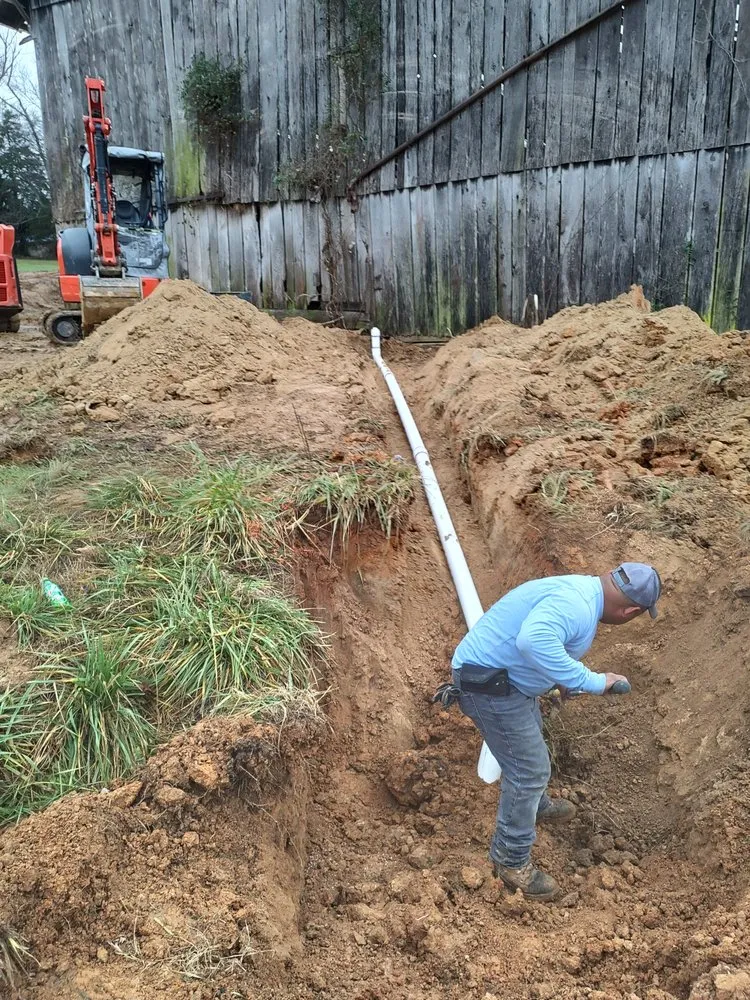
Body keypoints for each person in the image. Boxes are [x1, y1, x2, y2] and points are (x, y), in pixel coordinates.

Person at [450, 562, 662, 902]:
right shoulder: (577, 606)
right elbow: (533, 640)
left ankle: (533, 807)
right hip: (489, 687)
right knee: (529, 770)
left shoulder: (583, 591)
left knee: (532, 744)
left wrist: (559, 678)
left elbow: (542, 642)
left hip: (506, 683)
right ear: (631, 611)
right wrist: (591, 681)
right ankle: (510, 861)